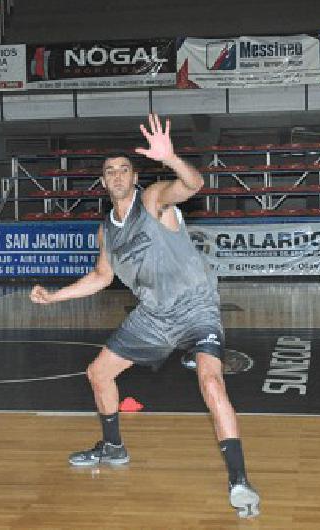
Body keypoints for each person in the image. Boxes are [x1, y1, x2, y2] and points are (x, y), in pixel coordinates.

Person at [29, 114, 260, 518]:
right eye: (109, 171)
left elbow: (193, 185)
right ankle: (113, 447)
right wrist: (55, 296)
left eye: (123, 169)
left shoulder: (153, 200)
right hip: (153, 315)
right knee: (98, 373)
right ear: (103, 182)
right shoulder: (107, 231)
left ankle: (239, 480)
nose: (116, 176)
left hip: (195, 306)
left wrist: (171, 158)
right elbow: (102, 276)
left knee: (210, 382)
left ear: (135, 177)